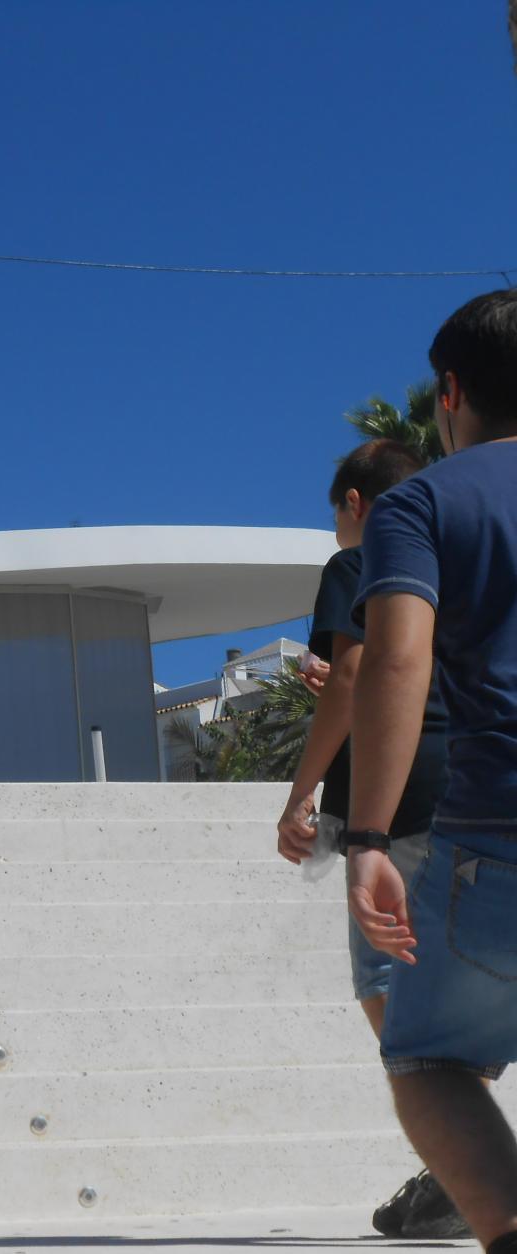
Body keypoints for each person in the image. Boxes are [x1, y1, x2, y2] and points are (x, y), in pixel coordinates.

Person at [347, 289, 517, 1254]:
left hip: (495, 828)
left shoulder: (419, 503)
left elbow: (398, 661)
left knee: (429, 1060)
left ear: (450, 392)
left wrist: (368, 836)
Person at [275, 439, 460, 1237]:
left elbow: (358, 679)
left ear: (356, 502)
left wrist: (298, 792)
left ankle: (461, 1157)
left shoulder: (368, 553)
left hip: (398, 793)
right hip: (470, 778)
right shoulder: (458, 549)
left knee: (385, 980)